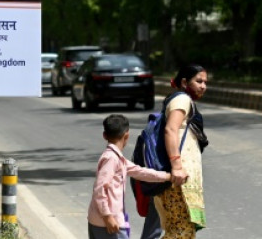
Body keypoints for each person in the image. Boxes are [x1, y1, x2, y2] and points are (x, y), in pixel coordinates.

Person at [89, 114, 174, 239]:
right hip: (109, 222)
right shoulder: (111, 159)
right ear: (126, 135)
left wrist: (167, 176)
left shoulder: (117, 158)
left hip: (99, 220)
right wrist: (107, 216)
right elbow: (100, 189)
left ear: (104, 135)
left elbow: (140, 172)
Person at [156, 64, 210, 238]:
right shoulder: (182, 100)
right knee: (180, 232)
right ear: (185, 82)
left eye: (205, 82)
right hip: (178, 180)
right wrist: (177, 166)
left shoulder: (182, 100)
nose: (203, 86)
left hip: (181, 179)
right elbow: (171, 130)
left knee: (182, 231)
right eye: (199, 81)